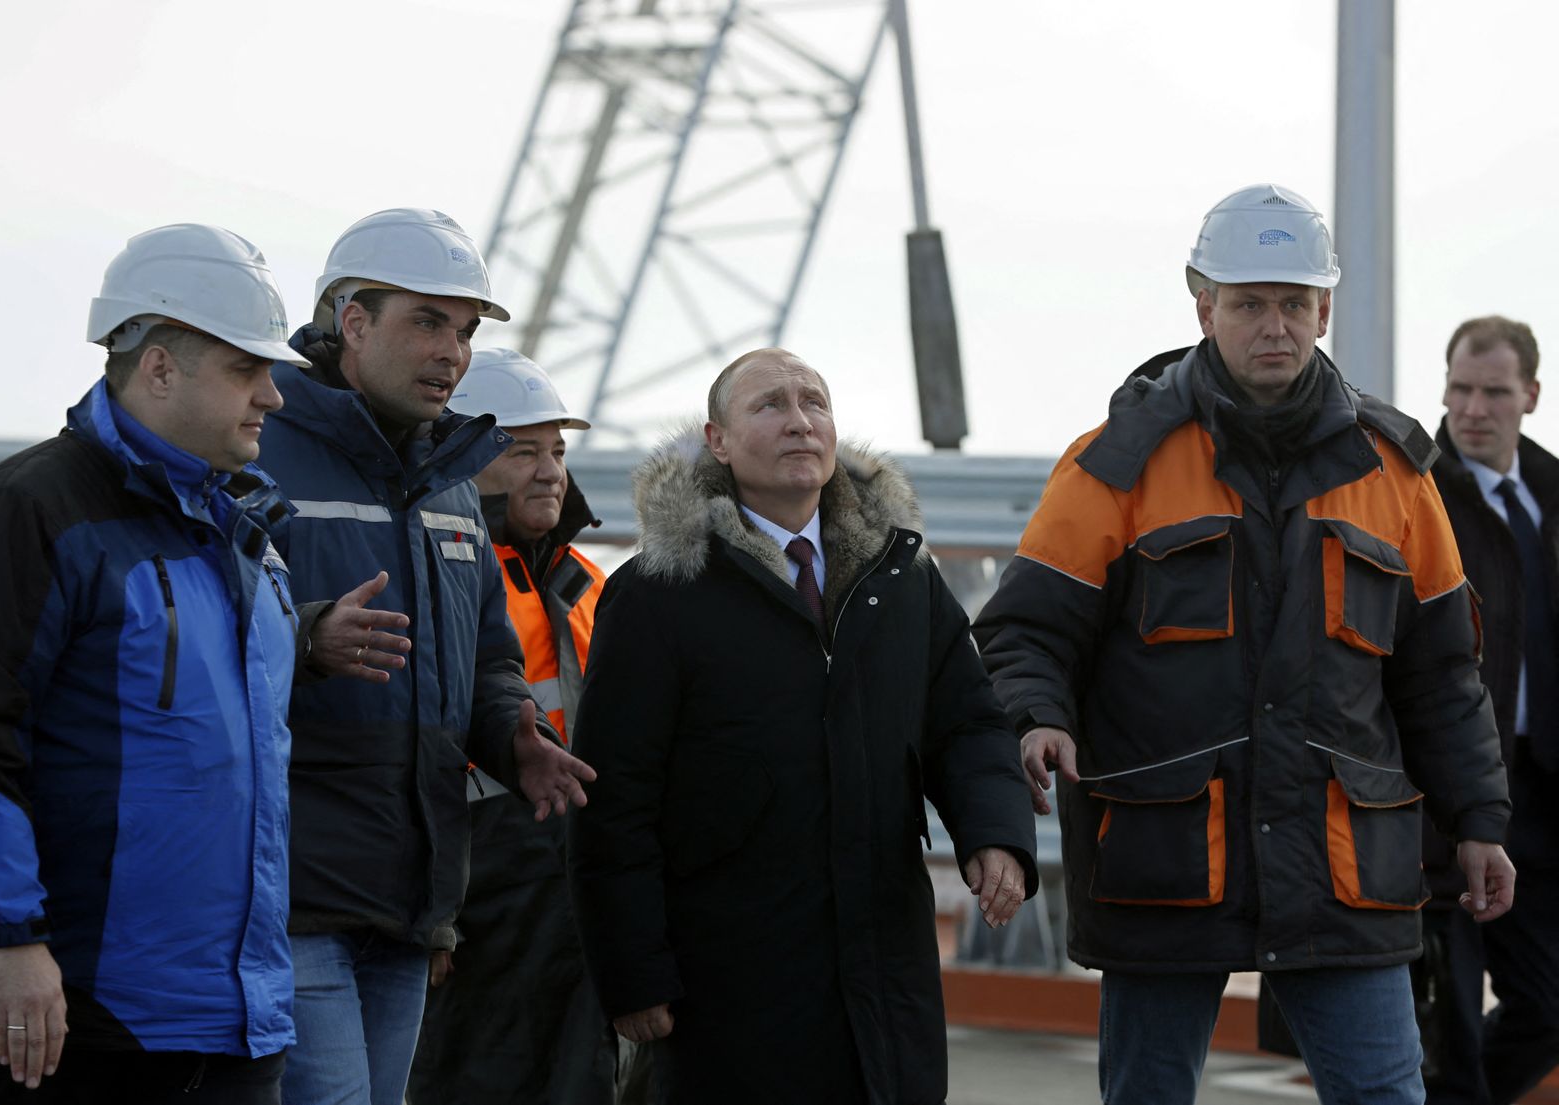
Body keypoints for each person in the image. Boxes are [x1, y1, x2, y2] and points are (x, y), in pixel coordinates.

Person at [972, 184, 1515, 1104]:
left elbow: (1441, 675)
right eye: (1250, 302)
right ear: (1202, 305)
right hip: (1168, 860)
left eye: (1295, 303)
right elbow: (1024, 630)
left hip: (1342, 868)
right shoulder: (1117, 461)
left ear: (1325, 310)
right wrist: (1035, 718)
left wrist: (1478, 818)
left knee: (1387, 1095)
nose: (1276, 325)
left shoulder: (1396, 474)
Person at [567, 347, 1037, 1105]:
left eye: (813, 402)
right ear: (717, 440)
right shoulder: (660, 593)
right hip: (731, 973)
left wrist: (995, 835)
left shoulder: (901, 579)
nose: (799, 421)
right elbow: (615, 797)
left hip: (884, 968)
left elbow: (969, 723)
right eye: (770, 405)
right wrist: (633, 972)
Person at [254, 208, 596, 1105]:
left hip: (413, 897)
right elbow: (196, 639)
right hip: (294, 894)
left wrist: (510, 735)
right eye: (428, 322)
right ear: (350, 322)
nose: (453, 351)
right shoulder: (258, 454)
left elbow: (486, 656)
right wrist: (305, 640)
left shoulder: (447, 479)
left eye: (467, 331)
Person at [0, 224, 308, 1102]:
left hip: (238, 1021)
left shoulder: (245, 536)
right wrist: (7, 935)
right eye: (245, 369)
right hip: (77, 1016)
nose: (272, 396)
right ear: (158, 366)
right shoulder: (27, 512)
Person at [408, 349, 616, 1104]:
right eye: (522, 450)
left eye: (557, 450)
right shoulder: (438, 565)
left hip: (576, 889)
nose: (549, 469)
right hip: (475, 893)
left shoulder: (591, 585)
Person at [1414, 316, 1559, 1104]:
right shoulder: (1419, 492)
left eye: (1494, 392)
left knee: (1549, 1007)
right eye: (1461, 389)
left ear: (1530, 395)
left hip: (1541, 798)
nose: (1473, 408)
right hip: (1446, 808)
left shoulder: (1549, 495)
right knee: (1451, 1035)